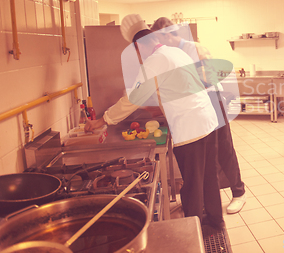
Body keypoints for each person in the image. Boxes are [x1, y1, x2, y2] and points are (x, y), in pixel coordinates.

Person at [84, 14, 224, 230]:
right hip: (207, 120)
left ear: (139, 47)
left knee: (193, 185)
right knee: (208, 178)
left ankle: (193, 231)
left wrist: (103, 120)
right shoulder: (174, 52)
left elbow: (134, 98)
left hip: (191, 129)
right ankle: (216, 222)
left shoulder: (154, 61)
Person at [151, 17, 247, 214]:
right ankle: (204, 201)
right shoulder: (172, 53)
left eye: (159, 38)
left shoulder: (195, 49)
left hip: (212, 100)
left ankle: (239, 193)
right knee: (207, 155)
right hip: (198, 106)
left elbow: (208, 78)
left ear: (168, 34)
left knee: (224, 149)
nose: (158, 44)